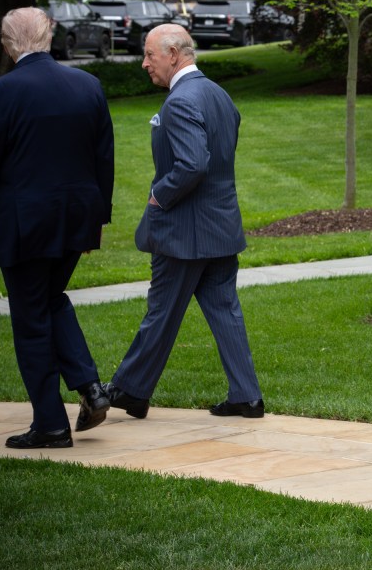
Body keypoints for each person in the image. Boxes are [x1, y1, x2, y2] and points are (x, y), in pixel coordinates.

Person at [0, 7, 115, 448]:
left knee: (30, 320)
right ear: (49, 37)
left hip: (26, 226)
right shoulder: (89, 86)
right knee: (48, 299)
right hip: (77, 219)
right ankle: (89, 386)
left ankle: (50, 425)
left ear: (8, 46)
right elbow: (104, 159)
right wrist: (96, 221)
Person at [103, 24, 264, 420]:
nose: (144, 64)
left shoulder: (180, 101)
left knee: (161, 311)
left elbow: (193, 164)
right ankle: (247, 396)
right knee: (225, 309)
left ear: (174, 54)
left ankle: (128, 389)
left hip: (184, 232)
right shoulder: (219, 95)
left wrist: (161, 193)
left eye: (149, 55)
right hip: (221, 226)